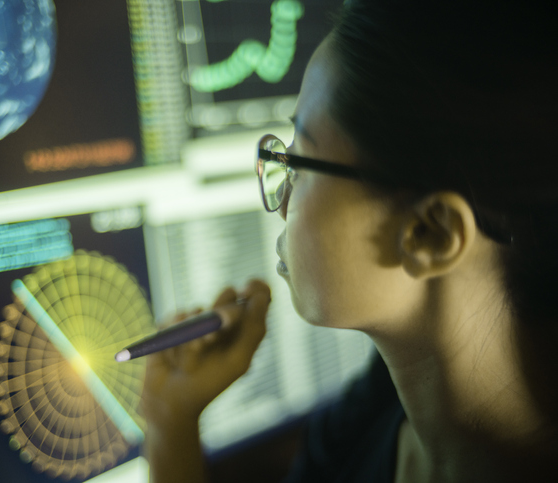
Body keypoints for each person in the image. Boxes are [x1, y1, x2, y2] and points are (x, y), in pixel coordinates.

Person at [141, 0, 558, 481]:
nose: (280, 199)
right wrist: (169, 417)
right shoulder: (386, 398)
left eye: (299, 159)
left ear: (432, 233)